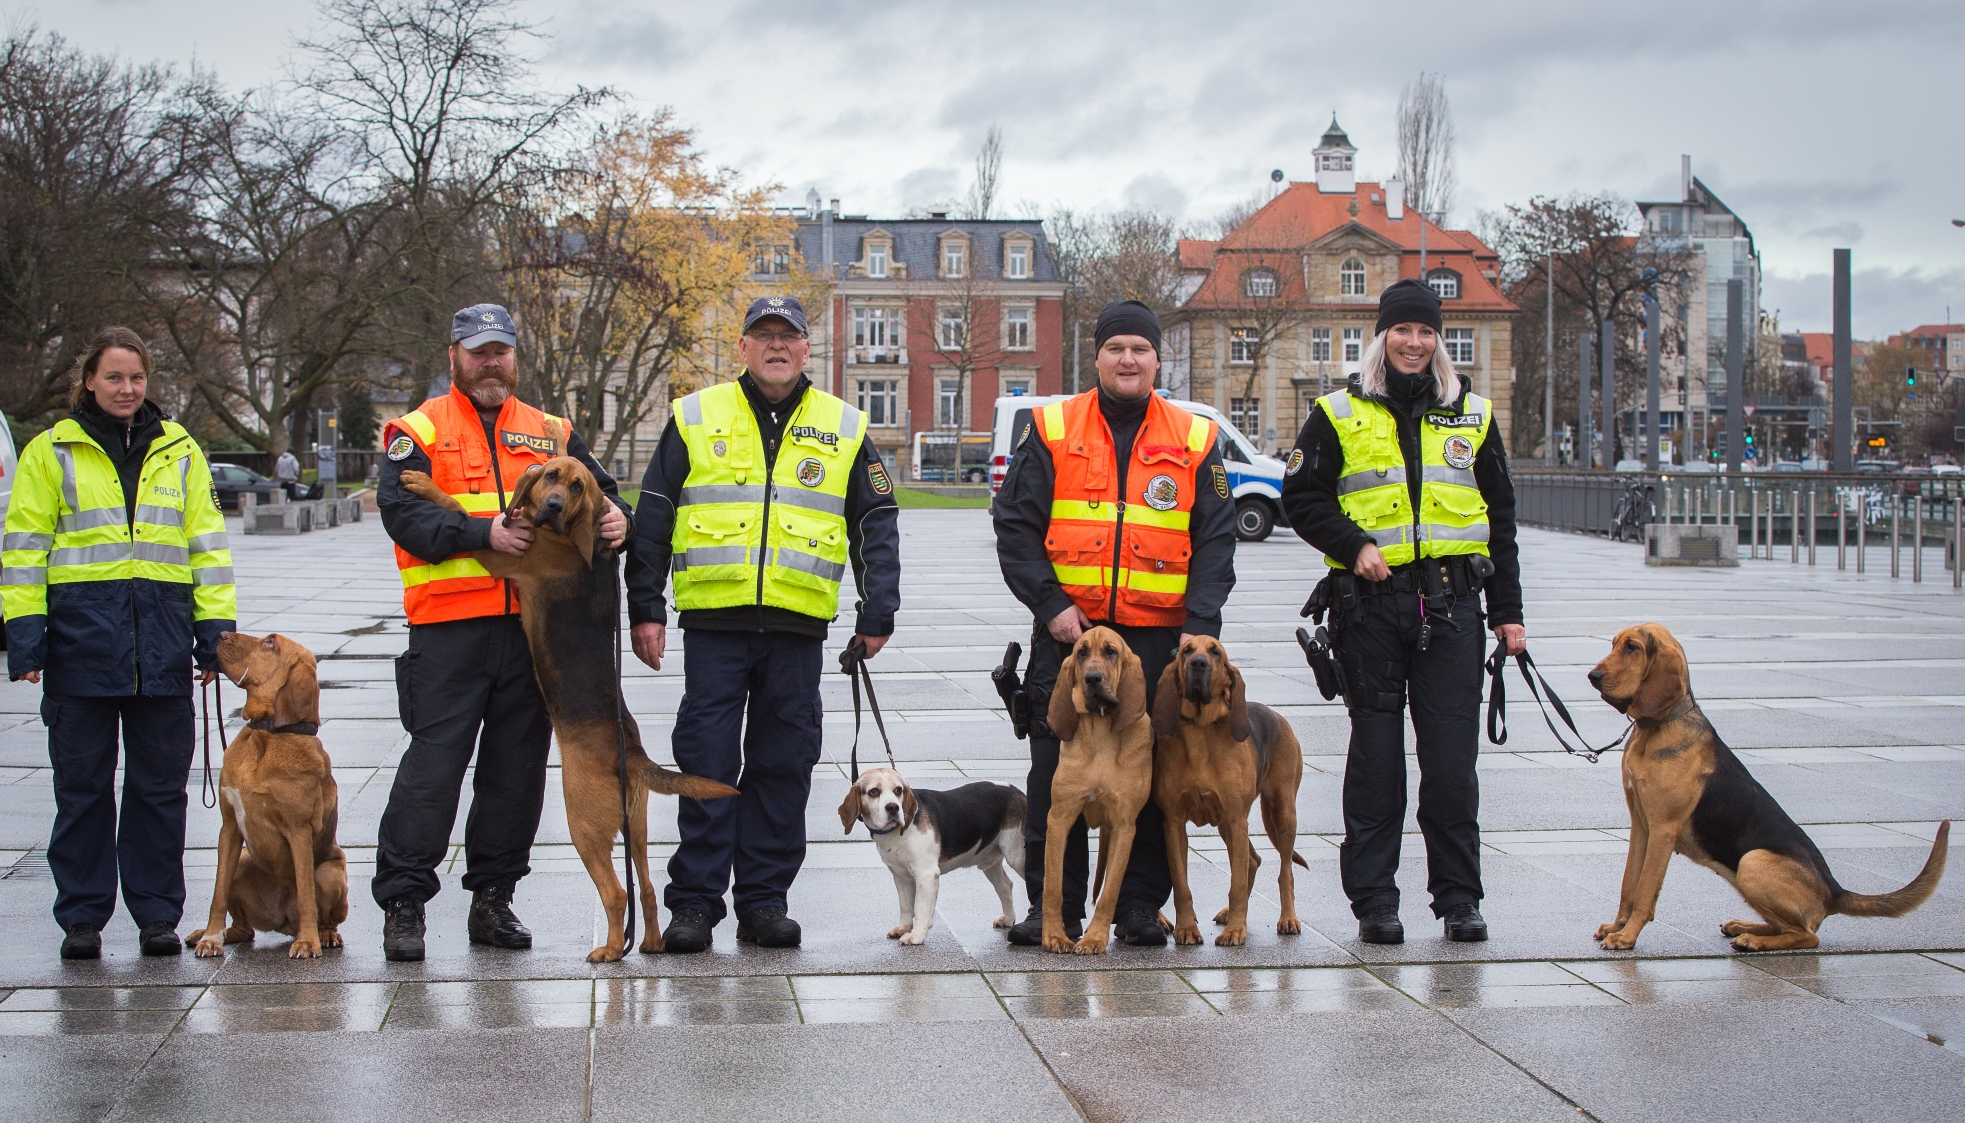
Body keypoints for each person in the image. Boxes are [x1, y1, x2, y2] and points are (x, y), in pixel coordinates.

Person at [626, 296, 900, 951]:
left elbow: (875, 524)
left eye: (789, 336)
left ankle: (763, 901)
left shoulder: (843, 424)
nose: (776, 346)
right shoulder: (695, 416)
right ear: (742, 347)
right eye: (763, 335)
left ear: (806, 348)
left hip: (796, 628)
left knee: (783, 765)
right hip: (714, 626)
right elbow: (654, 513)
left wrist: (878, 609)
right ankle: (694, 904)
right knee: (707, 760)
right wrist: (645, 606)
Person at [372, 303, 630, 962]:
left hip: (532, 633)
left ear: (516, 355)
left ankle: (493, 898)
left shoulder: (550, 429)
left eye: (501, 351)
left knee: (514, 774)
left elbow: (602, 492)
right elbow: (403, 515)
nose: (492, 363)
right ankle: (404, 902)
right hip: (449, 628)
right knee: (433, 771)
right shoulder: (418, 428)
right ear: (454, 354)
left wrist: (619, 520)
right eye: (479, 351)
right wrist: (479, 531)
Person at [1279, 278, 1525, 945]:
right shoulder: (1337, 411)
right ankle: (1374, 902)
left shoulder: (1471, 413)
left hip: (1453, 607)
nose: (1413, 342)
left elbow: (1499, 518)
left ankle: (1458, 898)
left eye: (1424, 332)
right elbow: (1299, 497)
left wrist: (1508, 613)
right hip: (1371, 609)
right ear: (1381, 337)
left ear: (1436, 340)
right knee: (1376, 763)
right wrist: (1351, 544)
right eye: (1401, 330)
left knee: (1450, 764)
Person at [992, 299, 1236, 948]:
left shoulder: (1194, 437)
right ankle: (1056, 908)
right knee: (1052, 774)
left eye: (1140, 349)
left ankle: (1134, 906)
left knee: (1152, 779)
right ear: (1095, 356)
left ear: (1158, 359)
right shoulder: (1050, 428)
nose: (1127, 359)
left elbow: (1215, 539)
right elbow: (1014, 527)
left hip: (1158, 641)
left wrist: (1199, 622)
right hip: (1069, 635)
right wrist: (1049, 604)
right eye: (1114, 348)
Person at [2, 327, 236, 960]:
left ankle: (157, 915)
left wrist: (215, 639)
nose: (127, 389)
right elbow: (24, 548)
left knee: (159, 791)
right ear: (89, 380)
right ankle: (82, 919)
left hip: (161, 644)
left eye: (136, 378)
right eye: (114, 377)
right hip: (81, 645)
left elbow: (207, 549)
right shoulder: (51, 452)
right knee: (81, 791)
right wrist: (24, 639)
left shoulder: (181, 449)